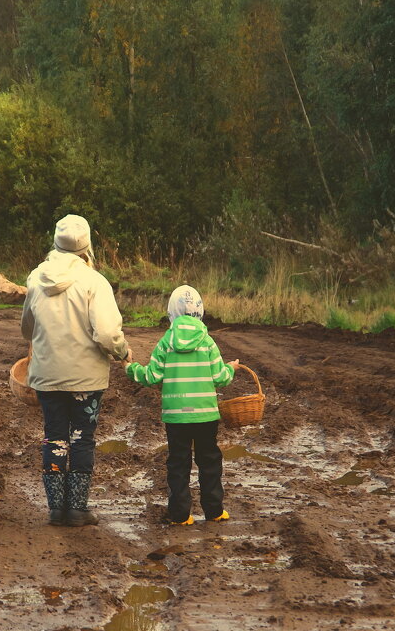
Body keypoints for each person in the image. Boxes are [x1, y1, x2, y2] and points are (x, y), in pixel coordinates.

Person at [21, 214, 131, 527]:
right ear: (87, 247)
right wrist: (123, 352)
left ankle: (57, 510)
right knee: (82, 438)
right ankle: (78, 510)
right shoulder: (94, 282)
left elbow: (27, 329)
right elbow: (107, 334)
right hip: (86, 377)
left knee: (55, 437)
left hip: (47, 376)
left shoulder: (35, 277)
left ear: (55, 242)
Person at [125, 285, 238, 525]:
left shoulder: (166, 342)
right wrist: (232, 368)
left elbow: (151, 377)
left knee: (178, 462)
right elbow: (221, 378)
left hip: (176, 417)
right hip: (206, 415)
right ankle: (214, 511)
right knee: (209, 461)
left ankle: (180, 515)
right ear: (200, 312)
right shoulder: (207, 341)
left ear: (171, 313)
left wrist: (130, 367)